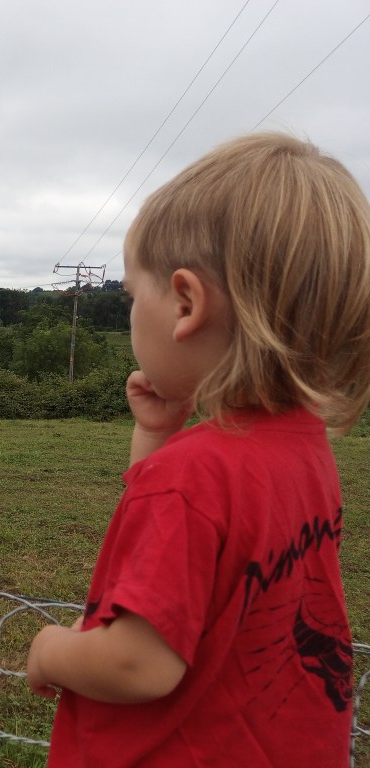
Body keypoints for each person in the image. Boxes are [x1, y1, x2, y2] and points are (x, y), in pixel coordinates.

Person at [25, 132, 370, 767]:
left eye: (133, 296)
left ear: (185, 303)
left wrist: (50, 650)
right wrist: (157, 437)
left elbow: (139, 663)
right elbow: (186, 561)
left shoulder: (190, 476)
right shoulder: (303, 447)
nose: (131, 313)